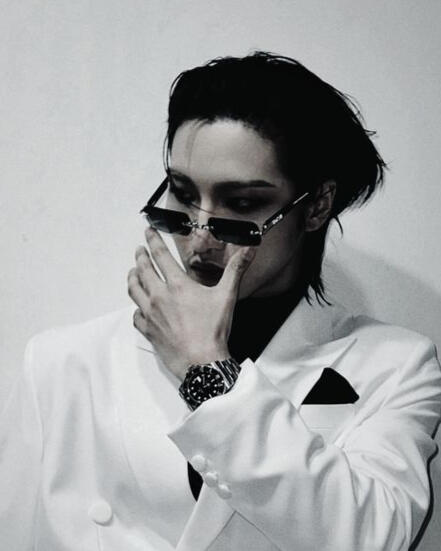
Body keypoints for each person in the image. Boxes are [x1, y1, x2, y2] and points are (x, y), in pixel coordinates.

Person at [1, 51, 440, 551]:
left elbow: (369, 539)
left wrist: (208, 372)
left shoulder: (394, 366)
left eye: (242, 204)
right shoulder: (63, 364)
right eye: (183, 194)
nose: (200, 238)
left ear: (316, 205)